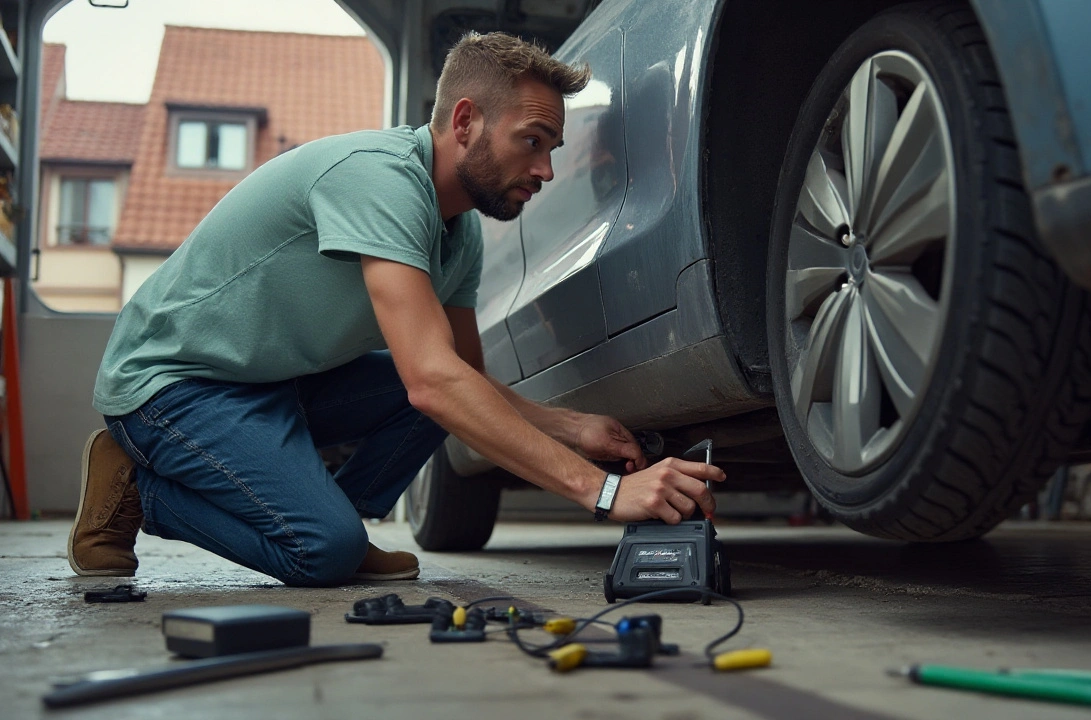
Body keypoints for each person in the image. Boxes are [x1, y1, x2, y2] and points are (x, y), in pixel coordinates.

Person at [68, 32, 725, 587]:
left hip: (268, 385)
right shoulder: (379, 180)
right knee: (321, 549)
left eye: (552, 149)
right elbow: (435, 382)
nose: (547, 170)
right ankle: (142, 488)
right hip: (170, 386)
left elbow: (465, 380)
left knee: (437, 401)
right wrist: (604, 492)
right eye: (533, 141)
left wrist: (571, 426)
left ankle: (331, 524)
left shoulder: (458, 231)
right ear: (465, 122)